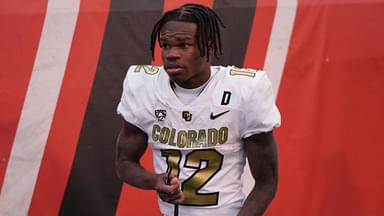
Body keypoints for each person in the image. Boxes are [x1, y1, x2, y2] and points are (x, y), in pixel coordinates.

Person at [115, 3, 281, 216]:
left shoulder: (245, 89)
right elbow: (124, 162)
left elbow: (266, 182)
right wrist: (155, 181)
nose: (171, 54)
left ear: (208, 47)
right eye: (166, 45)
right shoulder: (143, 86)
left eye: (183, 45)